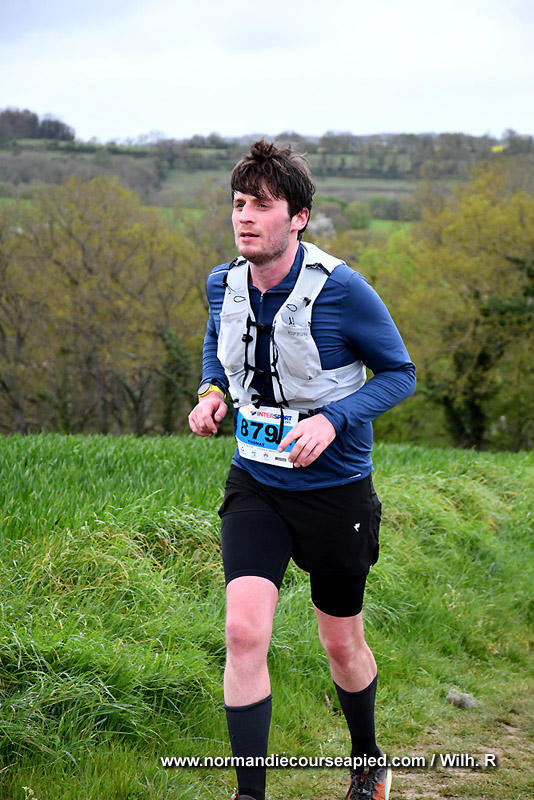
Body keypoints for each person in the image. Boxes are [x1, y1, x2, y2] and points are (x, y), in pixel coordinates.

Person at [188, 139, 416, 800]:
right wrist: (212, 393)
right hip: (256, 481)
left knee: (341, 643)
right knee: (242, 632)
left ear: (298, 218)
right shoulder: (222, 282)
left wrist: (333, 420)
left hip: (336, 490)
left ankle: (368, 761)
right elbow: (217, 344)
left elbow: (399, 374)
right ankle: (249, 793)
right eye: (239, 203)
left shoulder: (343, 290)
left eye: (262, 205)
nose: (245, 216)